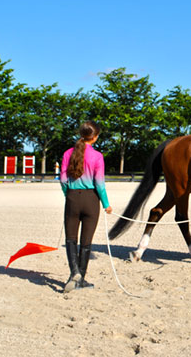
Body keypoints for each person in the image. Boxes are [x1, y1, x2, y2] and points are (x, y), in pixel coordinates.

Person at [60, 121, 112, 293]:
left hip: (73, 198)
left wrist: (68, 194)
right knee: (86, 241)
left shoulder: (68, 153)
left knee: (70, 239)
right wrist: (106, 204)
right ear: (95, 137)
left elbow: (62, 180)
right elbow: (100, 184)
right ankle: (80, 277)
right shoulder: (97, 156)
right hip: (91, 200)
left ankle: (74, 273)